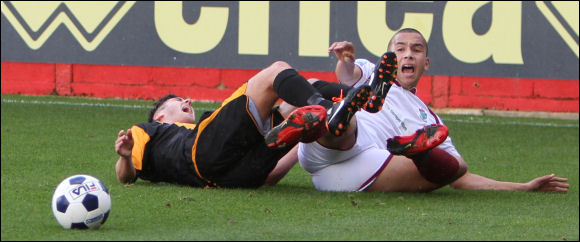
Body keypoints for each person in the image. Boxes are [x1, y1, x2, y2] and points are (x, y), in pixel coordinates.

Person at [294, 28, 569, 193]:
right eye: (399, 49)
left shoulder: (429, 120)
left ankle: (417, 150)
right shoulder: (370, 71)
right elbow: (347, 74)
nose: (408, 54)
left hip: (363, 166)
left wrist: (522, 187)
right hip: (335, 147)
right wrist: (346, 61)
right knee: (337, 112)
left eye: (416, 50)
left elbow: (461, 179)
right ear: (387, 59)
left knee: (456, 165)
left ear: (426, 63)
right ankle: (349, 118)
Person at [114, 60, 371, 189]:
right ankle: (343, 102)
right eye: (178, 100)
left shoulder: (210, 129)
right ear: (159, 116)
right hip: (201, 153)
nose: (188, 99)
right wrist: (125, 157)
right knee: (277, 71)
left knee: (306, 88)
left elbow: (270, 177)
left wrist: (298, 140)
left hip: (235, 178)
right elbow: (125, 177)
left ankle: (353, 99)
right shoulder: (148, 131)